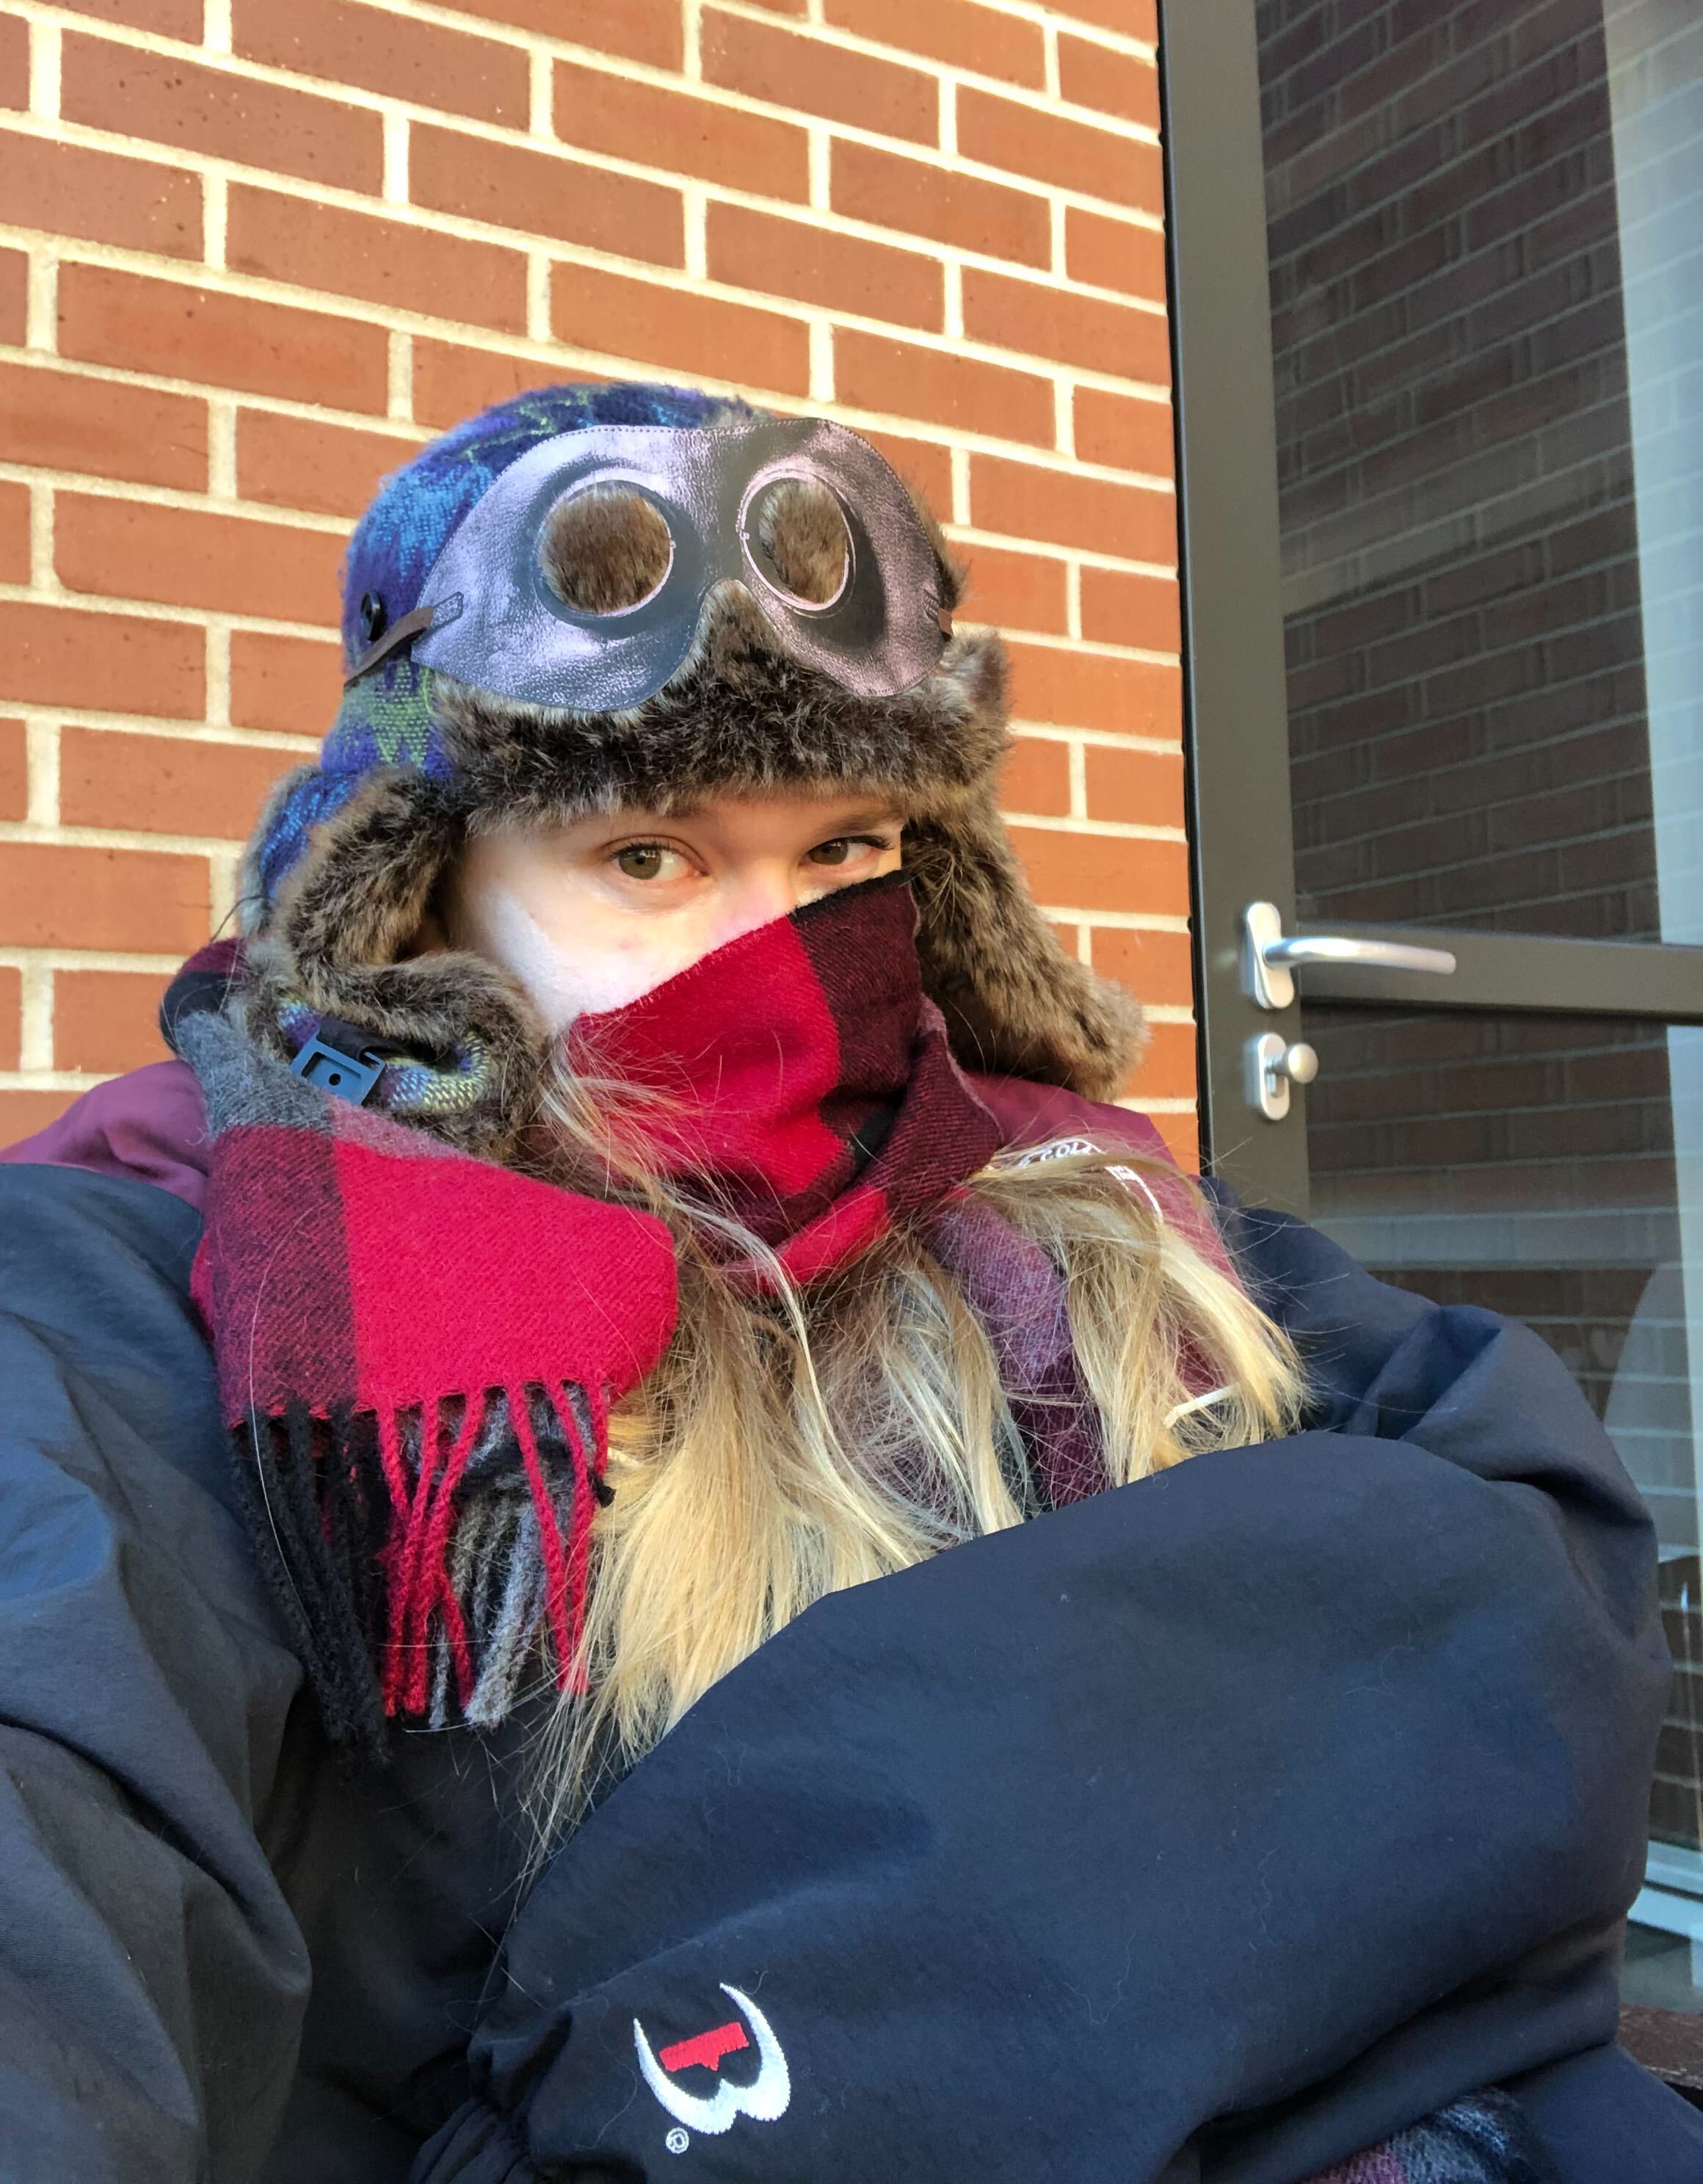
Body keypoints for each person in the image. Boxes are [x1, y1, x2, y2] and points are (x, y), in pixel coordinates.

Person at [0, 382, 1693, 2184]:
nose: (772, 950)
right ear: (417, 897)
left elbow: (1516, 1586)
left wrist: (715, 2053)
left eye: (843, 850)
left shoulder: (1077, 1195)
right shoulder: (190, 1290)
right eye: (644, 852)